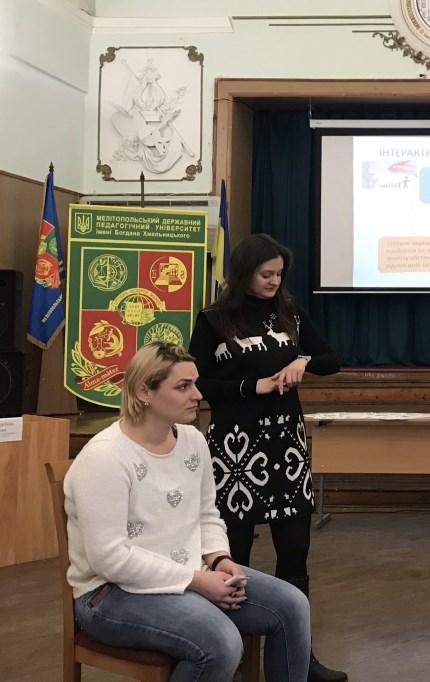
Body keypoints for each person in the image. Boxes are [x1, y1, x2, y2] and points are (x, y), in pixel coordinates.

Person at [64, 342, 312, 681]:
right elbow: (110, 559)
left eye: (195, 383)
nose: (198, 394)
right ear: (144, 392)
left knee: (292, 606)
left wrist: (219, 559)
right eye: (183, 386)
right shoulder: (105, 458)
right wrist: (197, 582)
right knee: (221, 642)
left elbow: (207, 514)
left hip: (190, 572)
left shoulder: (193, 440)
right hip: (110, 595)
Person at [188, 233, 345, 682]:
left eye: (279, 274)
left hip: (285, 448)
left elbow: (332, 358)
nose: (275, 281)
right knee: (233, 555)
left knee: (295, 552)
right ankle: (234, 657)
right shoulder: (214, 320)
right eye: (266, 274)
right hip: (235, 450)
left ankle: (300, 657)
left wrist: (304, 362)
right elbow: (197, 383)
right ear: (245, 273)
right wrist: (251, 386)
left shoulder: (290, 313)